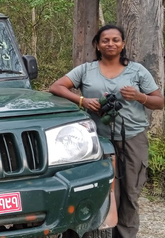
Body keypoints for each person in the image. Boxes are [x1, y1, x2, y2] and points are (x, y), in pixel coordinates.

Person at [49, 24, 163, 238]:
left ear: (123, 44)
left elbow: (159, 102)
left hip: (133, 139)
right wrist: (82, 100)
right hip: (97, 142)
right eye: (105, 40)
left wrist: (140, 97)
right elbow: (57, 87)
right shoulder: (85, 70)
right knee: (99, 192)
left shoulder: (137, 70)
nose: (111, 43)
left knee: (130, 194)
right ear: (97, 45)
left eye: (115, 40)